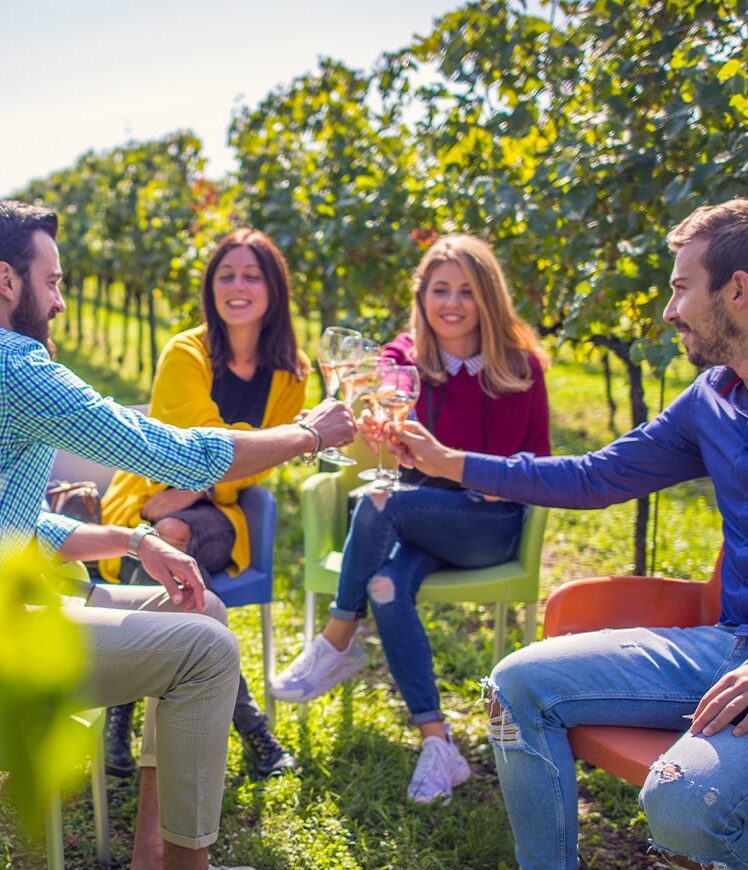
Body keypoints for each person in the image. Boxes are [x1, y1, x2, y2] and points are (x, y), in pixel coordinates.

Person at [390, 198, 748, 868]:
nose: (669, 311)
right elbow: (593, 476)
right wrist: (450, 463)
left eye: (680, 288)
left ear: (738, 290)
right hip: (726, 648)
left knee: (682, 803)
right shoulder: (712, 399)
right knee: (512, 689)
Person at [0, 199, 355, 870]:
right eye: (53, 282)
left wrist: (135, 542)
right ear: (5, 282)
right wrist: (311, 434)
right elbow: (178, 458)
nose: (61, 303)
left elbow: (14, 519)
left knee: (203, 607)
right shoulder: (18, 369)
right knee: (207, 652)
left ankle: (153, 856)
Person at [271, 234, 551, 804]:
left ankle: (336, 639)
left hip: (487, 524)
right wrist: (379, 425)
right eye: (440, 290)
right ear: (422, 297)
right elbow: (385, 390)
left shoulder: (522, 367)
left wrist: (489, 476)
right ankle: (438, 744)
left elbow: (539, 462)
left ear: (488, 298)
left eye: (467, 291)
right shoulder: (405, 358)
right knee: (386, 584)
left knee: (381, 501)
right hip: (421, 516)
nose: (452, 303)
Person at [99, 228, 309, 781]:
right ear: (210, 287)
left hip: (219, 515)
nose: (237, 287)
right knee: (167, 531)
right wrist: (220, 465)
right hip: (147, 501)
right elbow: (198, 442)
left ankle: (117, 716)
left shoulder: (293, 372)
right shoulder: (185, 353)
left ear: (274, 289)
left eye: (251, 275)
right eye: (225, 275)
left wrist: (196, 487)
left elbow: (258, 463)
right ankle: (253, 729)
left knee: (172, 529)